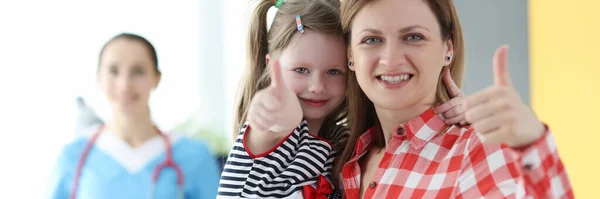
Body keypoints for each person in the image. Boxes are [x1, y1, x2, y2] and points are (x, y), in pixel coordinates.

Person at [218, 0, 467, 198]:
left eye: (333, 72)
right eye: (301, 70)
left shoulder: (344, 145)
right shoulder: (265, 138)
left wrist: (462, 111)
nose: (317, 87)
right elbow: (265, 130)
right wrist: (269, 115)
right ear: (272, 66)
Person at [336, 0, 573, 198]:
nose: (390, 59)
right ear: (350, 55)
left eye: (413, 37)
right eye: (371, 40)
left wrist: (532, 143)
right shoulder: (341, 157)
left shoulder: (478, 148)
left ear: (448, 48)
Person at [48, 33, 220, 199]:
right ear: (99, 78)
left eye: (138, 71)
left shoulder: (195, 156)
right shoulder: (72, 157)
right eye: (113, 71)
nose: (124, 84)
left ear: (157, 78)